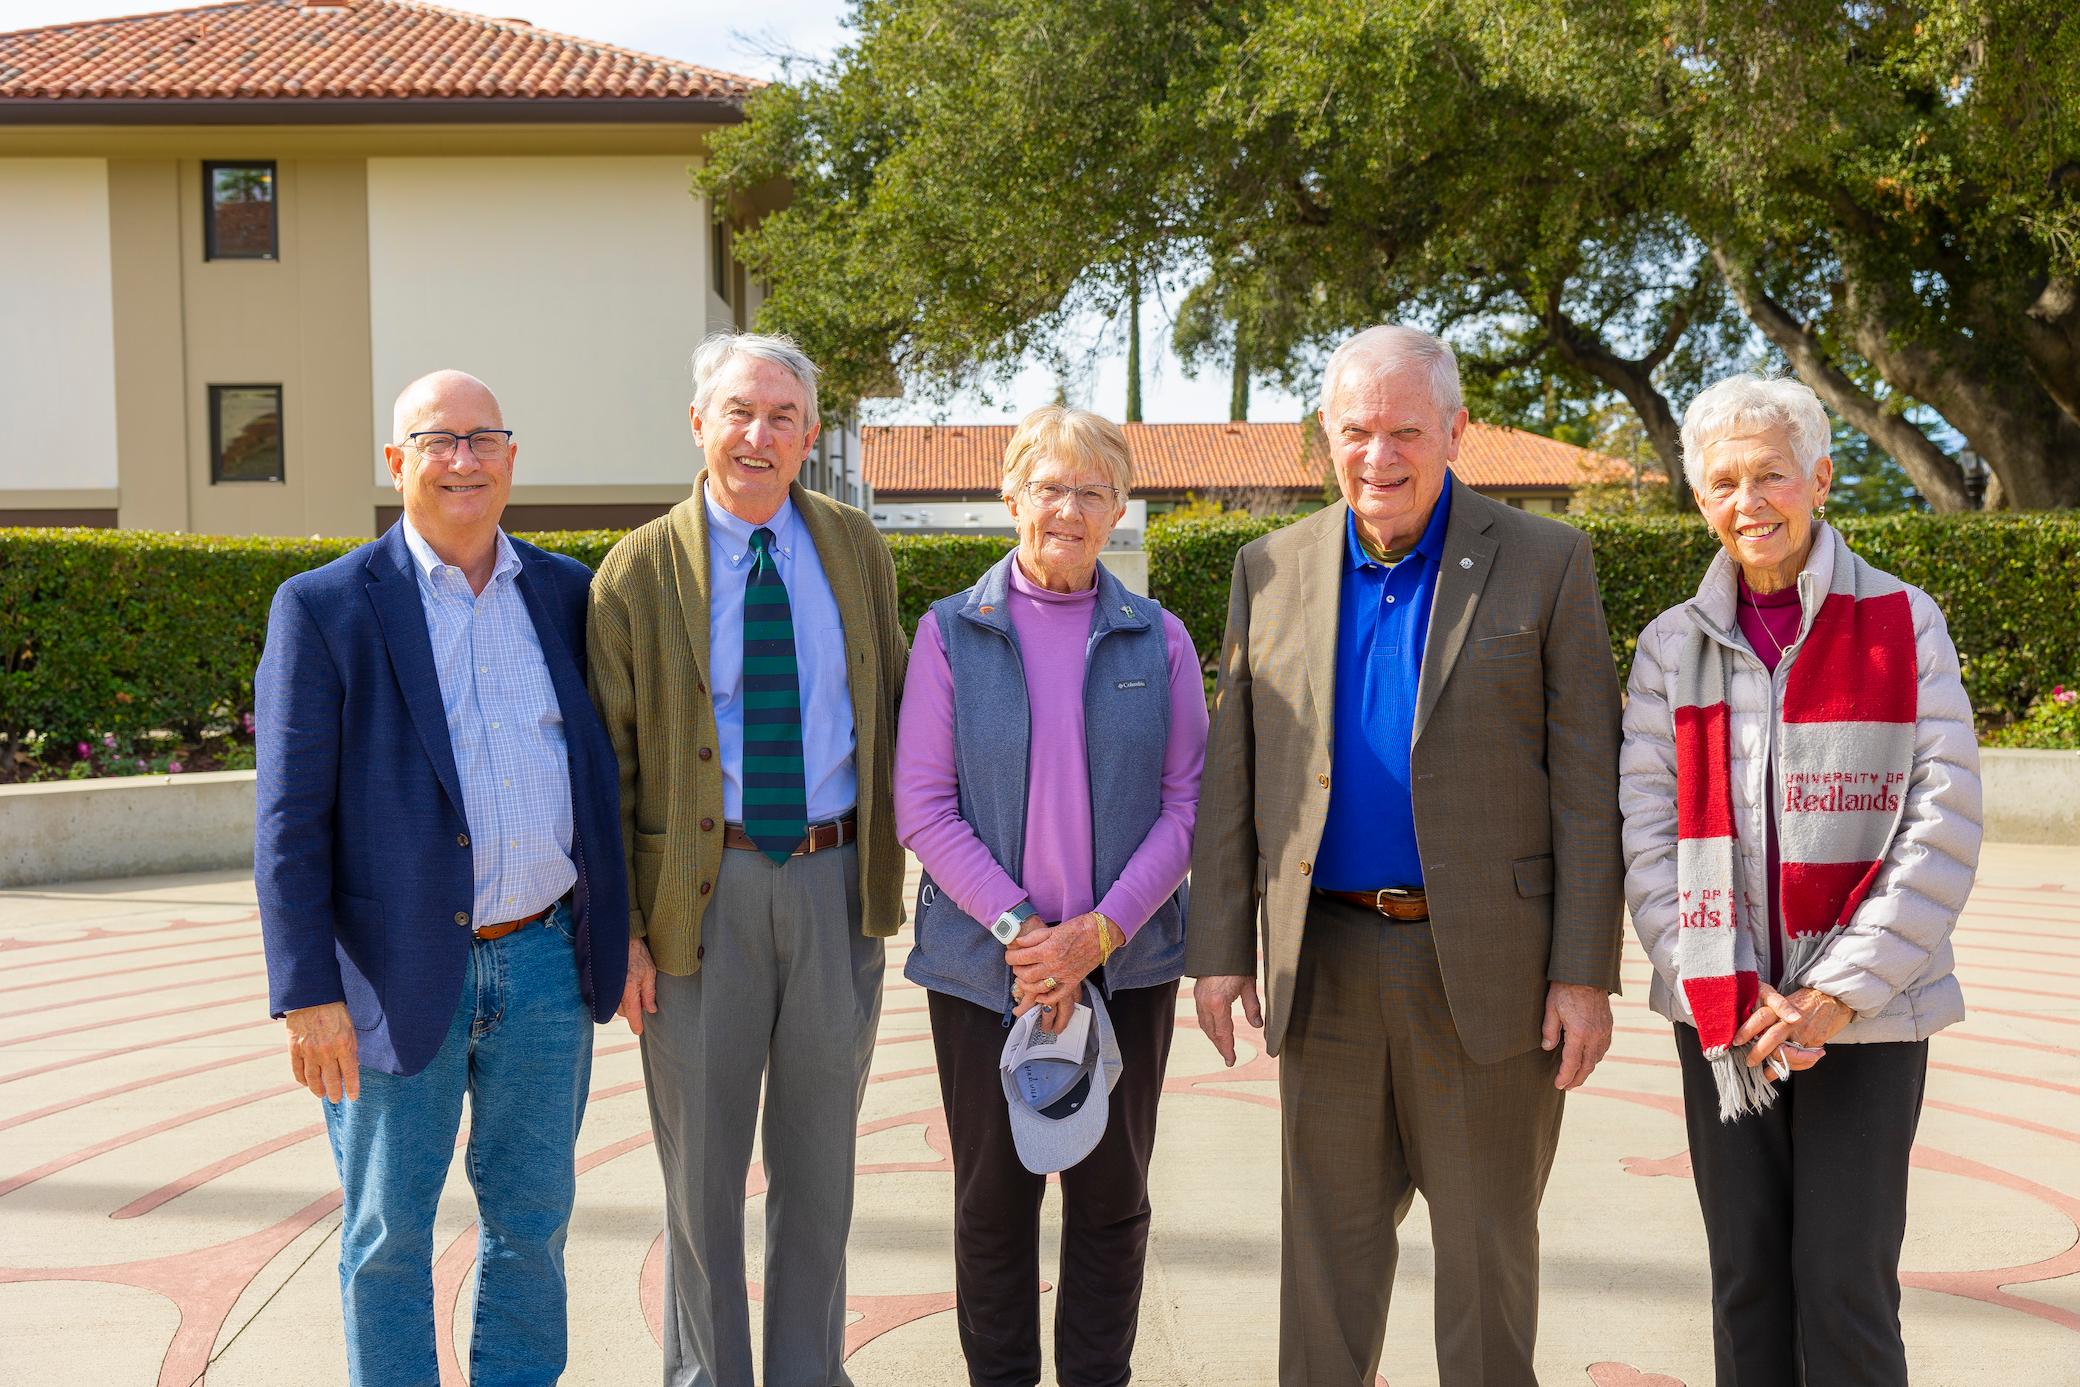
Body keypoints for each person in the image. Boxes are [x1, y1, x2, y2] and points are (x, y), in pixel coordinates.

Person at [1186, 324, 1625, 1387]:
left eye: (1402, 432)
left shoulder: (1547, 561)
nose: (1376, 456)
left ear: (1454, 432)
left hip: (1489, 973)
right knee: (1325, 1268)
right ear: (1325, 437)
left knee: (1485, 1262)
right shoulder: (1269, 568)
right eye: (1353, 431)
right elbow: (1235, 776)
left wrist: (1582, 972)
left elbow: (1585, 786)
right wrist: (1218, 949)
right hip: (1325, 965)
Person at [253, 370, 628, 1387]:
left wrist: (620, 932)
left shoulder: (566, 593)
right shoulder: (325, 608)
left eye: (482, 438)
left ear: (511, 455)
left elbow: (603, 781)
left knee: (533, 1225)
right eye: (437, 440)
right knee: (385, 1238)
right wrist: (307, 993)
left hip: (545, 964)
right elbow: (287, 822)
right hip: (384, 976)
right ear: (397, 462)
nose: (462, 459)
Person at [1620, 373, 1981, 1386]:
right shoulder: (1668, 647)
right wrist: (1729, 993)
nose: (1750, 503)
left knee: (1845, 1290)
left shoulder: (1904, 624)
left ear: (1818, 477)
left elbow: (1939, 823)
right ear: (1700, 499)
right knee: (1745, 1286)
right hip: (1722, 1016)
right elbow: (1647, 838)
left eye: (1771, 474)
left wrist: (1833, 995)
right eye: (1724, 481)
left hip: (1869, 1016)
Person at [588, 331, 908, 1387]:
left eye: (780, 416)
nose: (757, 435)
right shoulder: (635, 571)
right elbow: (611, 770)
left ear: (810, 434)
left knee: (821, 1172)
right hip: (698, 903)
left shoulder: (856, 548)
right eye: (737, 411)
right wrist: (624, 932)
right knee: (703, 1180)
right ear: (698, 423)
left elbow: (901, 714)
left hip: (834, 885)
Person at [893, 406, 1208, 1387]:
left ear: (1118, 506)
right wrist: (1028, 934)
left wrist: (1100, 934)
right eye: (1048, 486)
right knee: (992, 1202)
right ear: (1010, 494)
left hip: (1129, 966)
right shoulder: (951, 632)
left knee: (1111, 1201)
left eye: (1091, 490)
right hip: (984, 971)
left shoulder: (1157, 638)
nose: (1068, 509)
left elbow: (1186, 804)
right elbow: (921, 804)